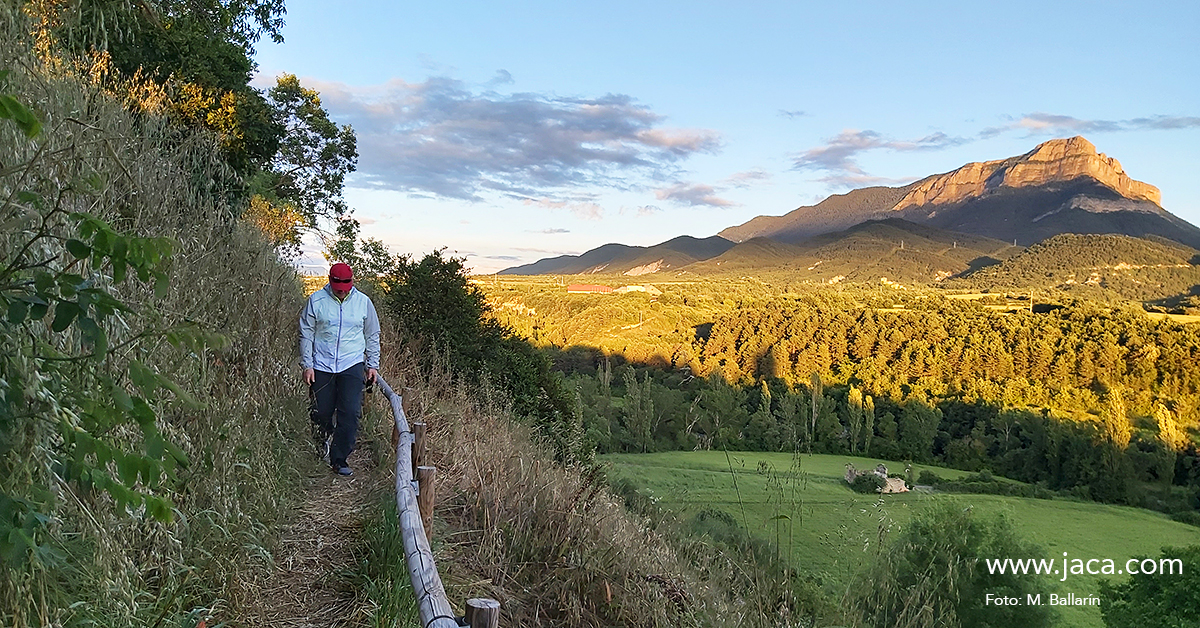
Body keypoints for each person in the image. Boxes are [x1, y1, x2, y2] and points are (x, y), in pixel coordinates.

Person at [299, 262, 380, 476]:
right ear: (330, 281)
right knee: (321, 411)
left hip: (352, 363)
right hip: (322, 363)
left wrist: (372, 365)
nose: (342, 291)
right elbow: (306, 334)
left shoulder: (363, 303)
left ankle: (340, 459)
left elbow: (372, 335)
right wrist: (307, 364)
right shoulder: (316, 301)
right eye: (338, 287)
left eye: (346, 286)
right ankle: (321, 441)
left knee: (350, 413)